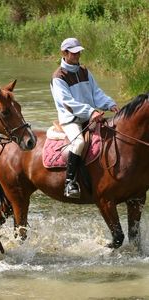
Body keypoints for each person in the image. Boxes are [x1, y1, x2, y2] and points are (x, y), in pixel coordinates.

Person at [50, 37, 119, 199]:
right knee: (79, 142)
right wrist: (91, 112)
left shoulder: (84, 71)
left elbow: (96, 93)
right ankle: (70, 182)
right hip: (71, 119)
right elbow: (68, 103)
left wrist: (109, 103)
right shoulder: (58, 77)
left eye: (79, 52)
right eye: (73, 53)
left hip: (89, 116)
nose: (77, 55)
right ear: (64, 53)